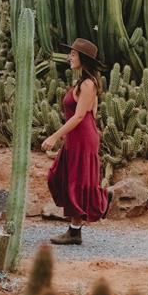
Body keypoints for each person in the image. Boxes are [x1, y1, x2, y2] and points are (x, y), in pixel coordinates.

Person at [41, 38, 113, 245]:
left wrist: (55, 136)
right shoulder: (83, 83)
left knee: (77, 181)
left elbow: (81, 116)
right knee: (60, 177)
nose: (69, 57)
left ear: (83, 58)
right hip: (77, 136)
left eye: (73, 54)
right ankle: (100, 200)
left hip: (82, 136)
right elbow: (93, 112)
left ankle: (75, 230)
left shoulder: (89, 84)